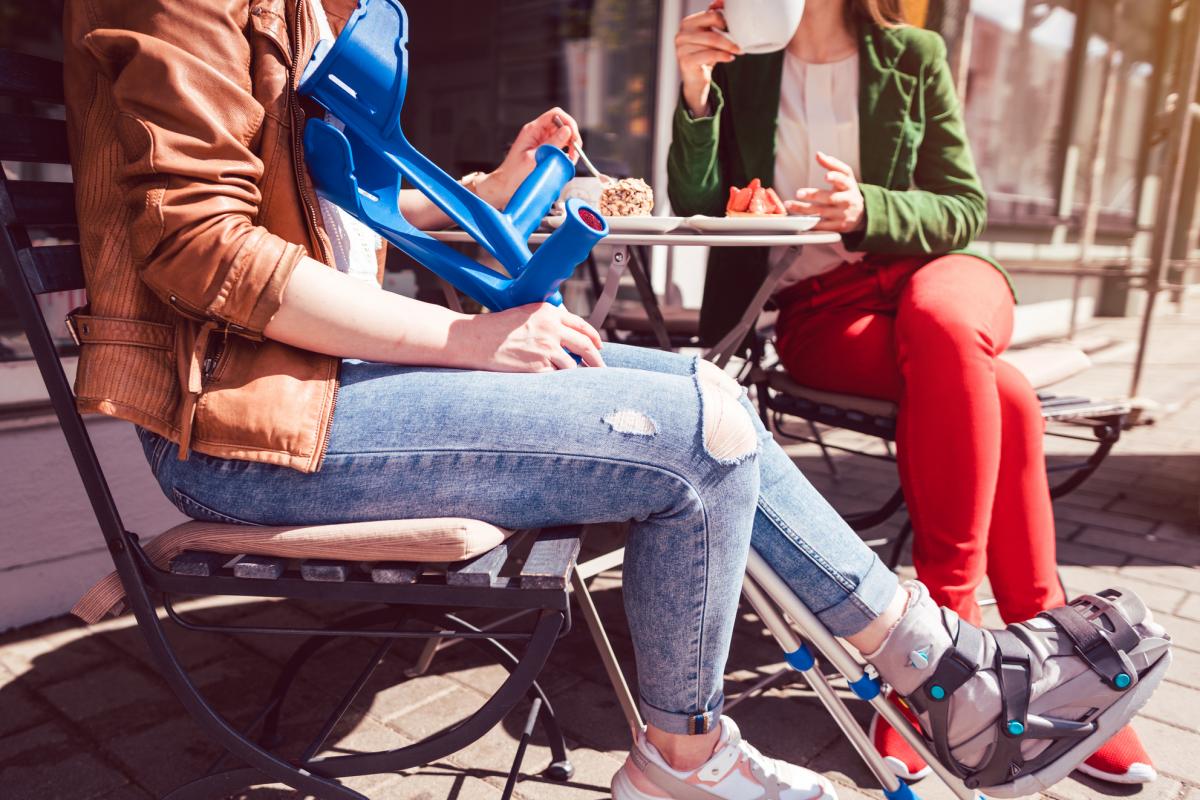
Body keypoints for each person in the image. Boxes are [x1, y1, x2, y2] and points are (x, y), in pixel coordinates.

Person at [63, 1, 1169, 799]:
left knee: (706, 390)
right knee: (697, 439)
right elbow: (197, 243)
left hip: (326, 387)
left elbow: (318, 199)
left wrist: (490, 191)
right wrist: (465, 339)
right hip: (248, 424)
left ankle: (899, 682)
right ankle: (864, 705)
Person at [667, 0, 1157, 787]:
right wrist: (696, 92)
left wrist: (871, 207)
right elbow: (697, 205)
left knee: (944, 326)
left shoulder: (913, 54)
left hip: (937, 277)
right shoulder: (741, 67)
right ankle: (1052, 651)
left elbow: (963, 206)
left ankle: (945, 650)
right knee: (1003, 394)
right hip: (823, 310)